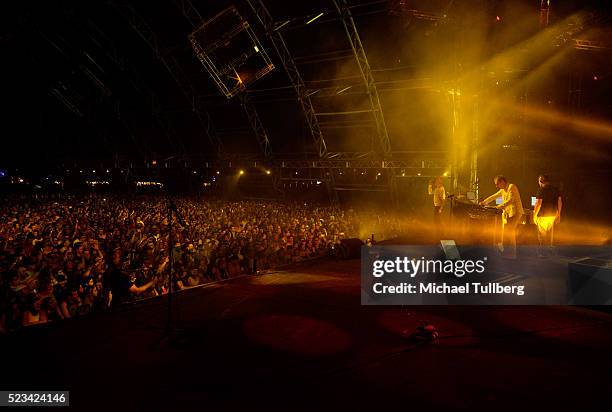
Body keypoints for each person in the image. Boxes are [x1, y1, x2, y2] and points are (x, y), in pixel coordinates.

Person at [479, 175, 524, 259]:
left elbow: (511, 200)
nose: (496, 186)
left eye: (497, 184)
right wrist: (484, 202)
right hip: (509, 213)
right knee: (507, 233)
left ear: (502, 181)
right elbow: (494, 196)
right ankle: (507, 253)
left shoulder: (512, 187)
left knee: (510, 233)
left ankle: (512, 254)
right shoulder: (503, 190)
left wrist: (498, 207)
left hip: (516, 213)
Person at [533, 174, 562, 257]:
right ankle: (550, 252)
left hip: (542, 215)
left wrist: (534, 215)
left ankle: (542, 253)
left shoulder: (541, 189)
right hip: (553, 215)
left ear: (541, 181)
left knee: (542, 235)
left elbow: (538, 203)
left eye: (538, 181)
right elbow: (559, 202)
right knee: (550, 235)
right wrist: (559, 214)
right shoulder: (556, 189)